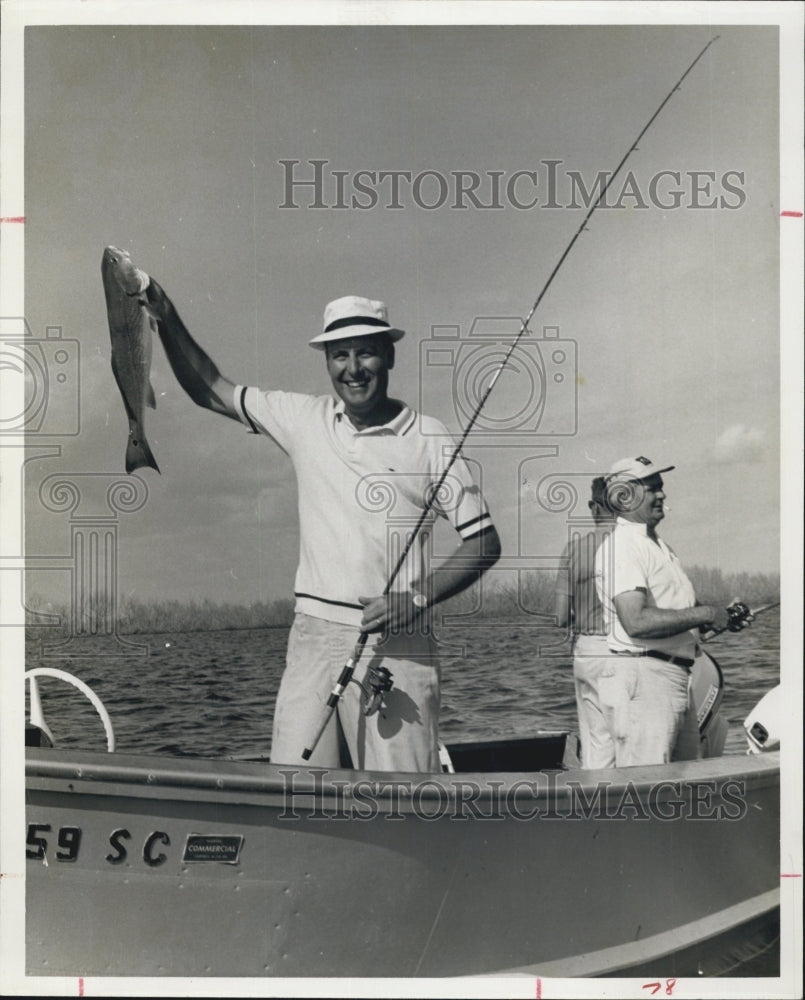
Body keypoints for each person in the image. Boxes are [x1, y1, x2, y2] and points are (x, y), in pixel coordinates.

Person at [143, 282, 501, 772]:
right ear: (327, 361)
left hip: (397, 645)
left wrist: (414, 600)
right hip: (312, 638)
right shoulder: (303, 418)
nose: (353, 369)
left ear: (389, 356)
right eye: (340, 355)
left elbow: (483, 542)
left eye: (367, 353)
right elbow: (210, 389)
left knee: (402, 806)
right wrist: (165, 315)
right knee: (295, 791)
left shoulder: (429, 438)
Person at [593, 456, 753, 766]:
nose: (662, 495)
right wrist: (706, 614)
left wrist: (721, 616)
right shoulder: (623, 546)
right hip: (644, 682)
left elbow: (678, 615)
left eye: (661, 487)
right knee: (647, 795)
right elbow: (636, 622)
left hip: (672, 678)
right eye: (652, 488)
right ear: (623, 497)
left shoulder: (657, 546)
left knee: (683, 786)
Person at [554, 476, 617, 768]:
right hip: (624, 648)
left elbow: (559, 617)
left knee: (595, 739)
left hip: (587, 649)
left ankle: (597, 803)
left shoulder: (572, 549)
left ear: (593, 506)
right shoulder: (631, 545)